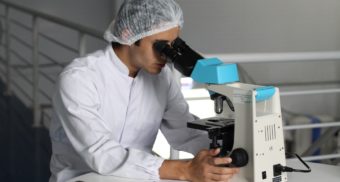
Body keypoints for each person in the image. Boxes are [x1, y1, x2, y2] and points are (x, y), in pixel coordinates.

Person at [49, 0, 239, 181]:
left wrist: (224, 154)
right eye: (161, 46)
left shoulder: (162, 77)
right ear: (128, 34)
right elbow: (101, 154)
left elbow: (185, 131)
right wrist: (186, 170)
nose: (166, 56)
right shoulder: (80, 78)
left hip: (139, 176)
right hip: (83, 177)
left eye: (173, 47)